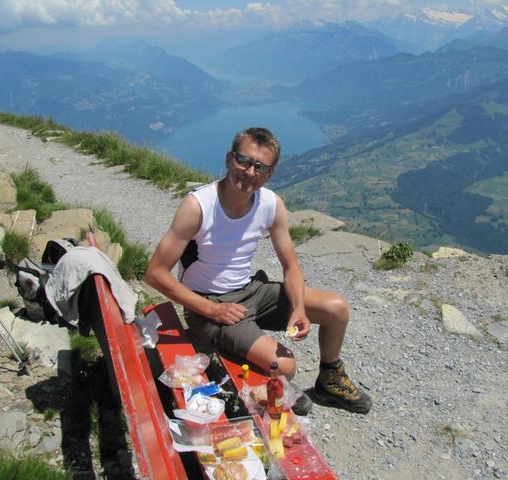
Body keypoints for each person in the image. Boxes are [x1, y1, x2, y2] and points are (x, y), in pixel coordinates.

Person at [144, 127, 372, 414]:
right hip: (211, 303)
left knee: (336, 309)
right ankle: (241, 358)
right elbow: (155, 273)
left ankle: (329, 377)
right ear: (229, 159)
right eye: (244, 161)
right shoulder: (198, 206)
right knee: (286, 364)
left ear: (270, 173)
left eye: (260, 166)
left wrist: (299, 307)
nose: (251, 172)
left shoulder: (270, 204)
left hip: (251, 290)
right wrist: (212, 311)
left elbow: (291, 265)